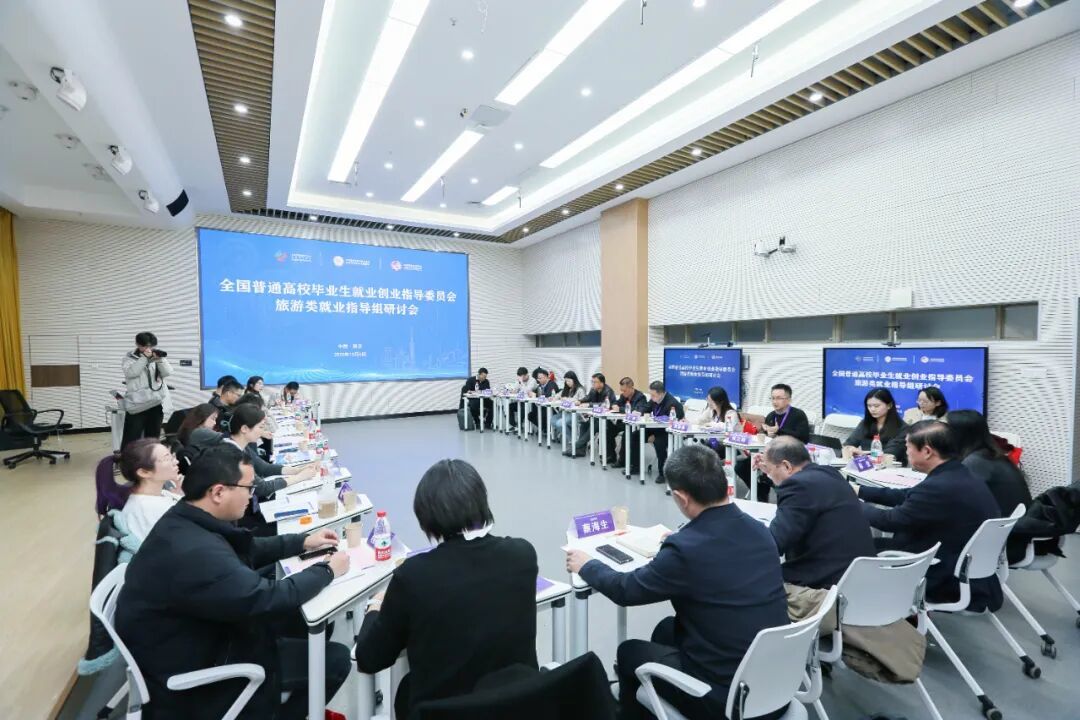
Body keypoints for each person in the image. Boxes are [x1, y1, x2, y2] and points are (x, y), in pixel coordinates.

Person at [115, 446, 352, 719]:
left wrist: (303, 541)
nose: (252, 495)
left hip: (203, 633)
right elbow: (266, 597)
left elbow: (250, 547)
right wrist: (328, 571)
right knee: (335, 659)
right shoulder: (195, 552)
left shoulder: (186, 517)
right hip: (203, 669)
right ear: (218, 492)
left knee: (307, 620)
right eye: (248, 488)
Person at [565, 444, 788, 720]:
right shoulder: (760, 531)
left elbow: (626, 590)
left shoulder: (685, 549)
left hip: (729, 700)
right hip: (777, 682)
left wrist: (587, 565)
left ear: (682, 497)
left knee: (629, 652)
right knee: (665, 629)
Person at [355, 460, 538, 718]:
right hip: (516, 707)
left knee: (406, 690)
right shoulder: (522, 554)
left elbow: (369, 658)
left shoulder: (414, 576)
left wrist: (375, 606)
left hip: (442, 711)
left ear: (426, 517)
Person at [854, 420, 1003, 608]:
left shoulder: (939, 486)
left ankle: (865, 609)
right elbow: (907, 495)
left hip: (940, 572)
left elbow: (889, 521)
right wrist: (859, 491)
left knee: (855, 546)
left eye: (908, 447)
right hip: (962, 564)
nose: (906, 452)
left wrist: (851, 503)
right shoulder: (958, 473)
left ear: (926, 451)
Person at [759, 437, 875, 593]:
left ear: (786, 466)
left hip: (827, 587)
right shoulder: (830, 473)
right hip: (861, 578)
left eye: (769, 470)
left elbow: (774, 543)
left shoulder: (798, 487)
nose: (769, 475)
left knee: (751, 578)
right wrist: (770, 470)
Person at [948, 409, 1032, 518]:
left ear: (959, 434)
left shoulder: (976, 461)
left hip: (1004, 525)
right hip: (1013, 521)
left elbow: (957, 500)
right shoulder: (990, 453)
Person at [739, 384, 811, 502]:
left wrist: (779, 431)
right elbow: (766, 437)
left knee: (777, 472)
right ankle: (761, 493)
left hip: (791, 456)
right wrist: (766, 434)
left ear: (788, 400)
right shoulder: (771, 416)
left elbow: (804, 438)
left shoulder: (798, 415)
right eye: (772, 398)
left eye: (778, 398)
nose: (774, 401)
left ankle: (778, 493)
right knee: (741, 467)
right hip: (771, 454)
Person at [221, 403, 316, 492]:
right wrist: (300, 477)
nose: (262, 432)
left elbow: (265, 468)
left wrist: (298, 470)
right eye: (260, 427)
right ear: (244, 429)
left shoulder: (239, 444)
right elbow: (262, 488)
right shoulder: (231, 453)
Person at [116, 439, 183, 543]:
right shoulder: (148, 510)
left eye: (172, 456)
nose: (176, 462)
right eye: (167, 458)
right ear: (144, 472)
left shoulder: (160, 495)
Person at [121, 331, 173, 449]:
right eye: (146, 346)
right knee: (132, 438)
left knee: (153, 437)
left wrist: (159, 360)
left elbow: (168, 372)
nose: (149, 349)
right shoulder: (129, 358)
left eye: (151, 346)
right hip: (138, 404)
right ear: (138, 344)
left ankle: (152, 458)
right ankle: (128, 459)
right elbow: (131, 373)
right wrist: (144, 358)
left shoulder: (155, 356)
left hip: (155, 402)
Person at [644, 380, 685, 484]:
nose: (651, 397)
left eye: (653, 395)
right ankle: (634, 466)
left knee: (659, 442)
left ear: (661, 393)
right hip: (655, 428)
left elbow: (675, 422)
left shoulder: (672, 404)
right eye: (651, 395)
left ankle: (663, 473)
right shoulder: (655, 399)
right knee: (635, 435)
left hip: (668, 432)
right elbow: (646, 408)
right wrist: (639, 412)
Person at [844, 387, 904, 455]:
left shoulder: (902, 428)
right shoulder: (865, 423)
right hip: (866, 461)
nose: (872, 409)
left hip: (889, 461)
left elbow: (891, 453)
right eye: (869, 406)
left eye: (876, 406)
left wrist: (863, 453)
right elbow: (849, 444)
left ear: (889, 405)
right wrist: (849, 449)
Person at [614, 377, 649, 471]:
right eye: (621, 390)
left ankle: (624, 461)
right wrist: (615, 405)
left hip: (635, 425)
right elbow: (616, 403)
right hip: (623, 422)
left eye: (624, 390)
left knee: (627, 433)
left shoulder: (640, 397)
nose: (622, 392)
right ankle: (610, 456)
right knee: (608, 428)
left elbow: (638, 411)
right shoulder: (623, 396)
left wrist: (620, 409)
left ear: (631, 388)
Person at [552, 370, 586, 444]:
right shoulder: (566, 389)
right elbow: (558, 395)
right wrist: (554, 397)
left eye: (569, 381)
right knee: (552, 420)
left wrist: (567, 399)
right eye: (566, 381)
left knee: (559, 424)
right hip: (565, 412)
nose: (567, 383)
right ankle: (571, 437)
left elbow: (581, 401)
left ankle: (573, 440)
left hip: (575, 413)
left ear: (574, 380)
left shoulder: (580, 389)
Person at [527, 368, 559, 433]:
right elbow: (536, 393)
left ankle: (548, 429)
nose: (538, 380)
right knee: (530, 415)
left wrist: (535, 395)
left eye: (540, 378)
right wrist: (531, 394)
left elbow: (548, 395)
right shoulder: (540, 385)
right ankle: (545, 428)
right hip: (542, 407)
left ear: (546, 377)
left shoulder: (552, 384)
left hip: (551, 408)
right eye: (538, 378)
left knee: (540, 415)